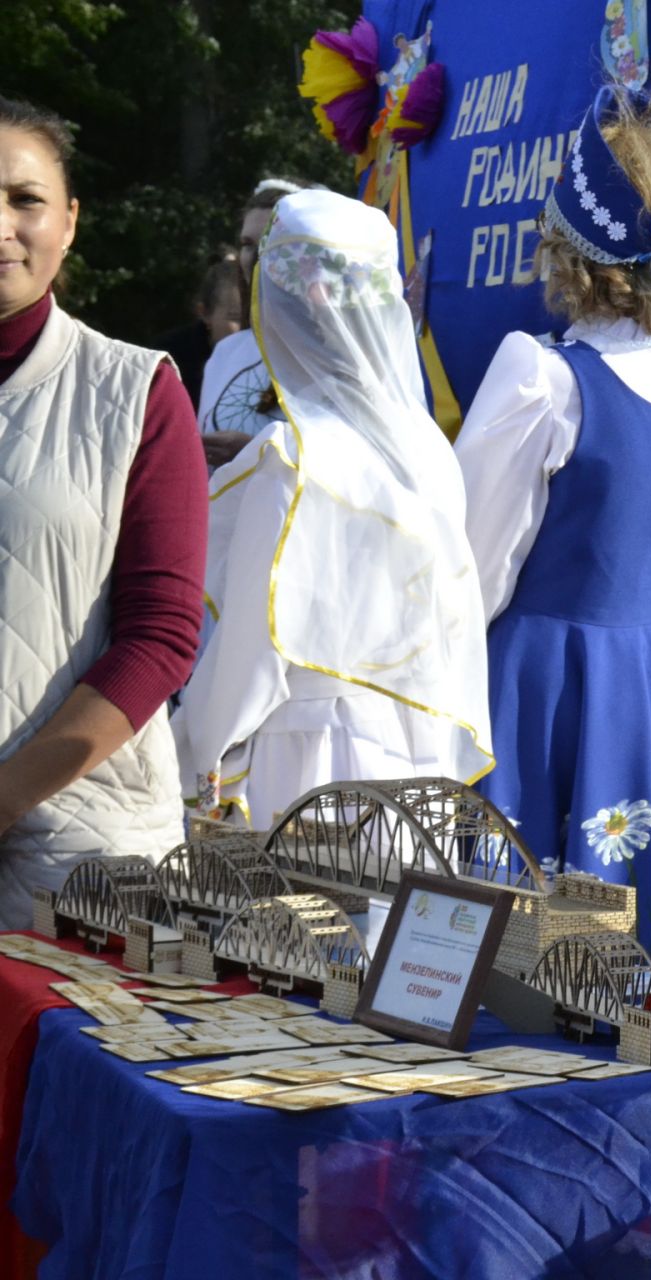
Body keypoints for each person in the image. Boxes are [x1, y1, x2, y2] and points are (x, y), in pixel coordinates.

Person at [453, 89, 651, 938]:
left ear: (565, 245)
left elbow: (470, 566)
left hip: (537, 684)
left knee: (516, 947)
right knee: (633, 930)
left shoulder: (541, 376)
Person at [174, 188, 492, 828]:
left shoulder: (291, 456)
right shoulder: (429, 448)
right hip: (413, 757)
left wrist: (193, 748)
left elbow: (251, 649)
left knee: (296, 922)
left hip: (308, 760)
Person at [0, 97, 205, 927]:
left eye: (25, 199)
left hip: (80, 859)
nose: (1, 225)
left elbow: (161, 637)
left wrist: (6, 796)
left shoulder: (135, 390)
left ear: (70, 221)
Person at [198, 178, 310, 466]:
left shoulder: (337, 355)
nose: (256, 256)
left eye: (270, 242)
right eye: (248, 244)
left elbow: (363, 470)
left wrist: (258, 455)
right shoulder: (227, 352)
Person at [150, 249, 243, 410]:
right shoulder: (168, 360)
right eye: (235, 318)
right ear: (205, 313)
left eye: (254, 318)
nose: (247, 328)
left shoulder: (272, 358)